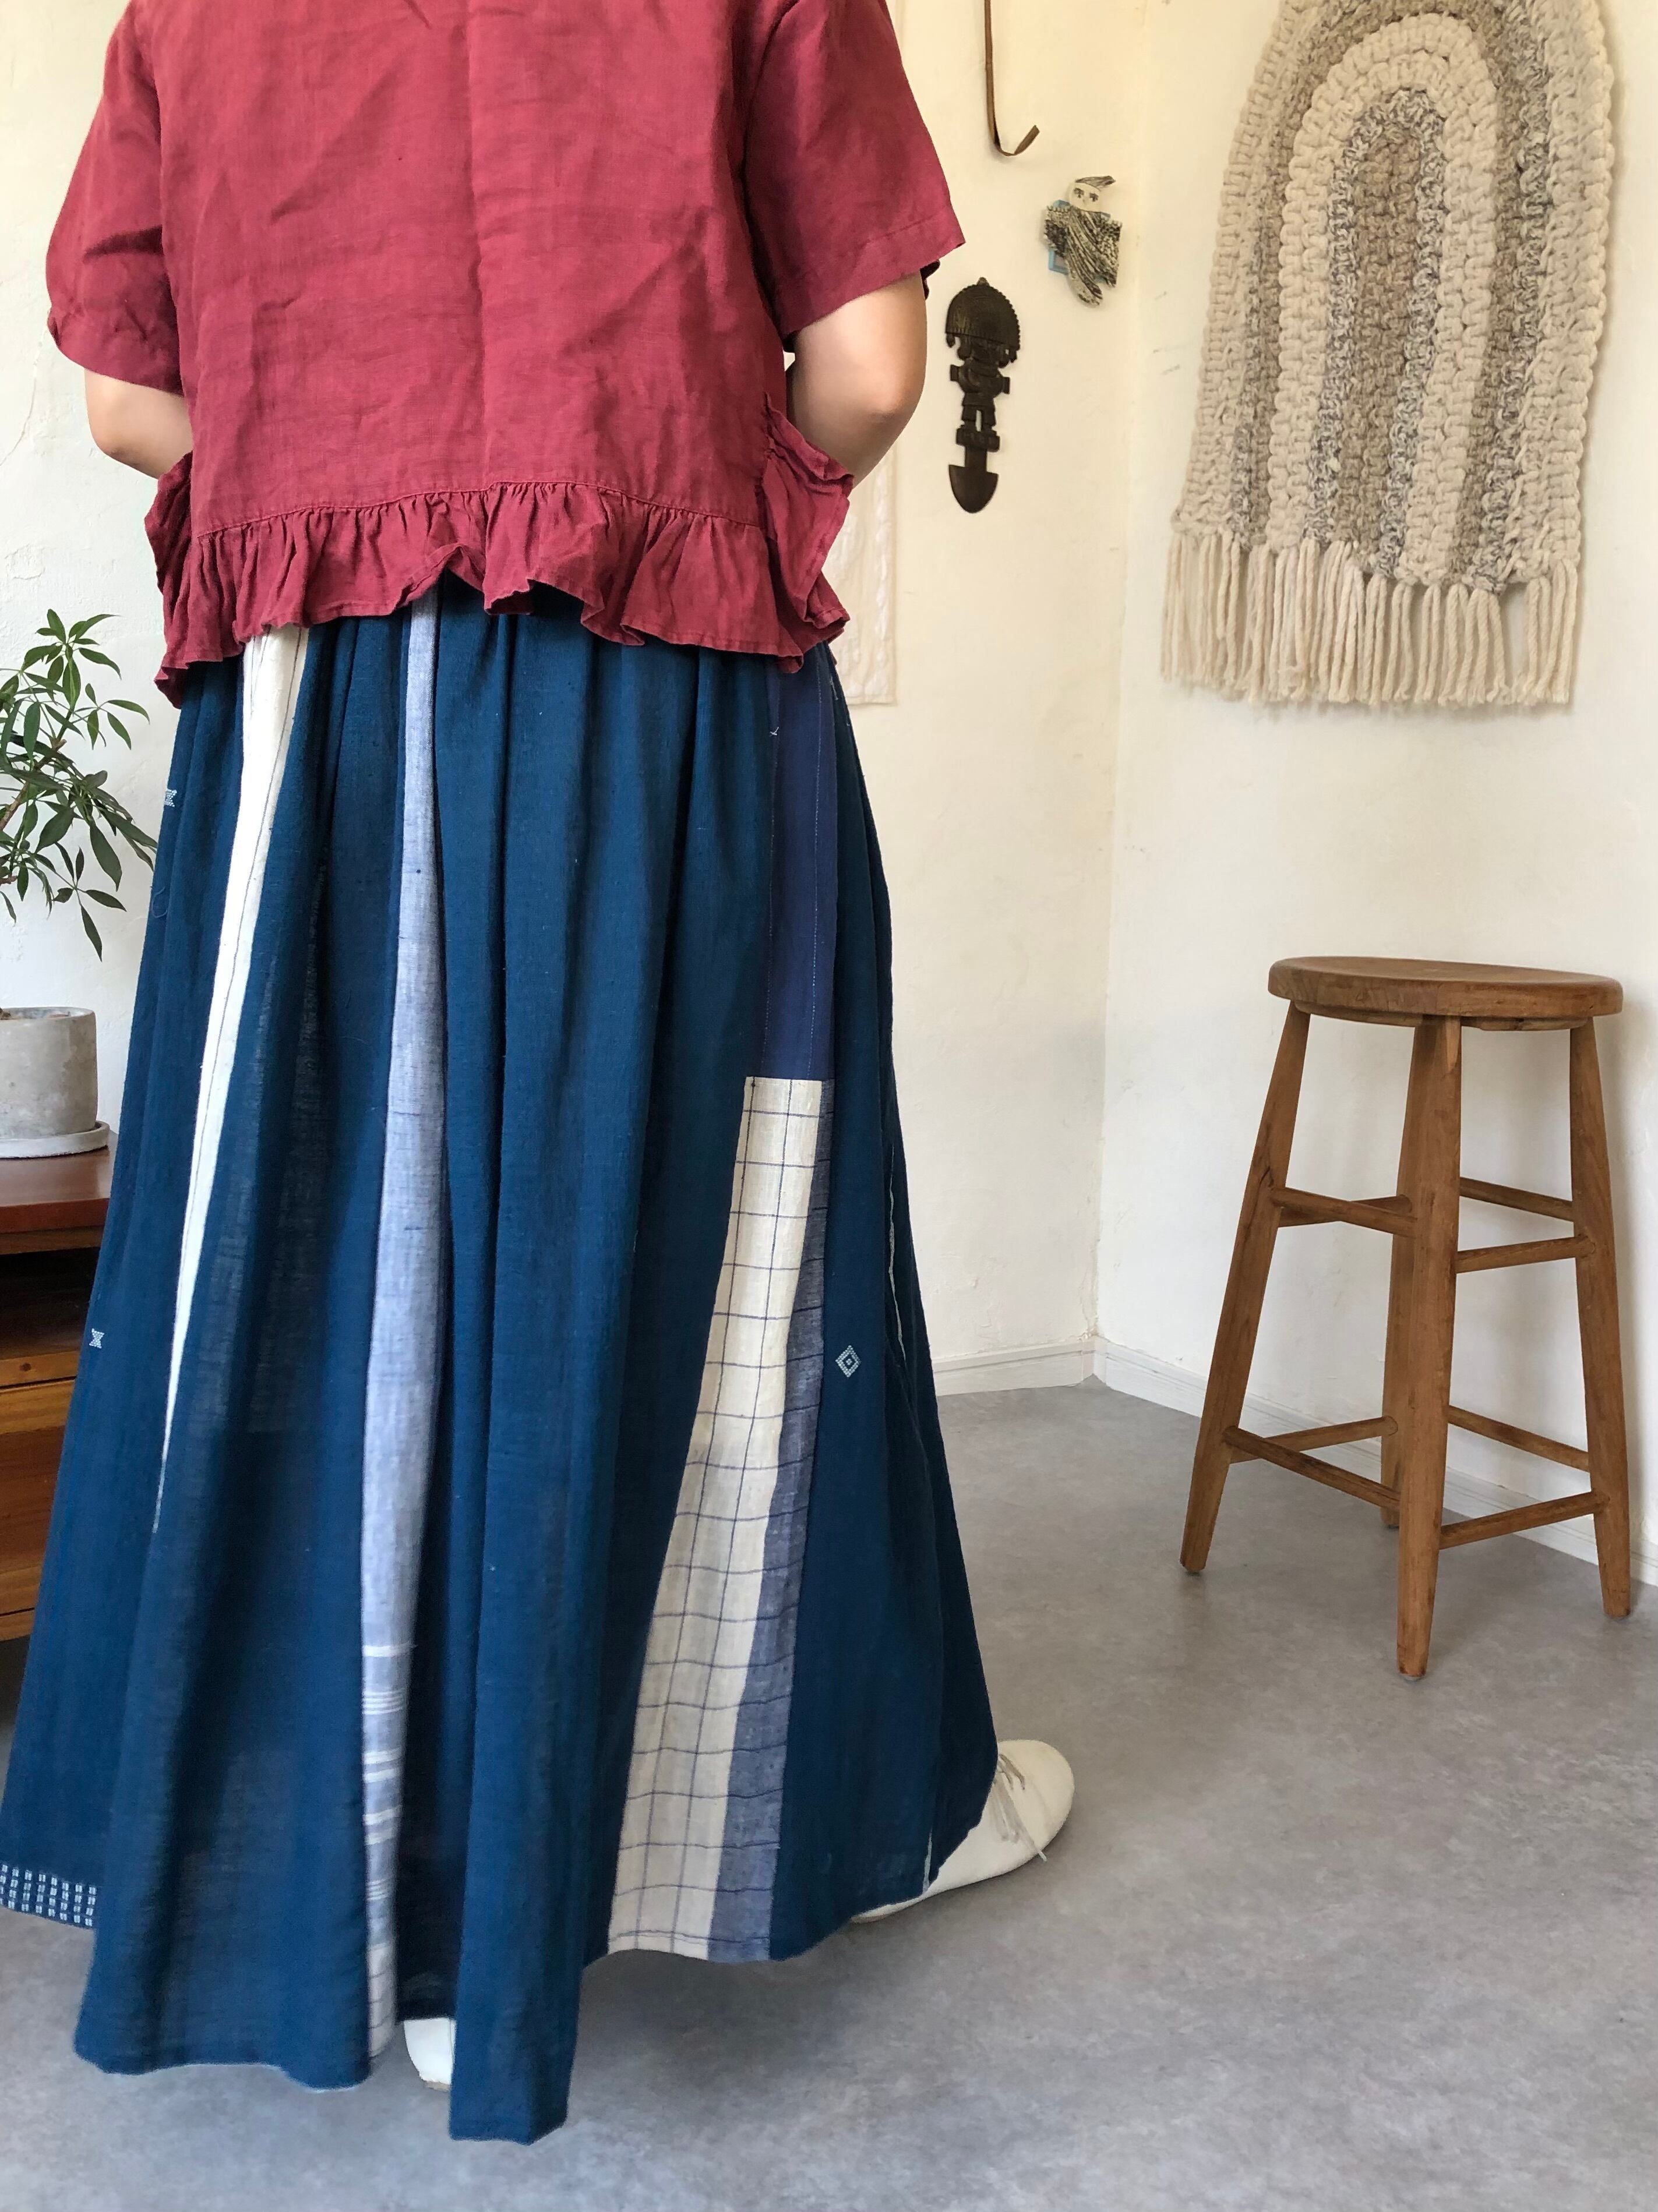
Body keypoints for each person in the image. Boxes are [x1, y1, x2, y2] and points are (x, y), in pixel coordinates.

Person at [0, 0, 1071, 2145]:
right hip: (655, 680)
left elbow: (129, 394)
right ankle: (752, 1824)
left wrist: (341, 464)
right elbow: (873, 371)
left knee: (328, 1256)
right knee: (703, 1236)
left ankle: (384, 1906)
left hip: (315, 721)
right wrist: (684, 480)